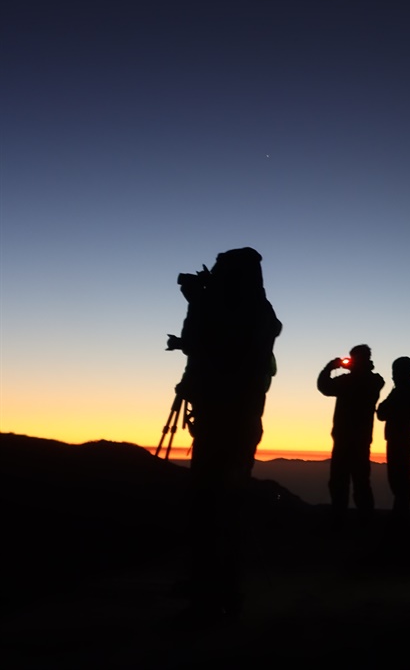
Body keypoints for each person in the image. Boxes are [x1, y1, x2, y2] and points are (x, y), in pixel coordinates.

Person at [171, 246, 281, 619]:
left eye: (220, 269)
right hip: (235, 419)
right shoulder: (257, 310)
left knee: (212, 506)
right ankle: (217, 588)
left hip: (227, 421)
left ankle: (212, 598)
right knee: (220, 505)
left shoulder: (243, 312)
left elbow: (205, 345)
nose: (214, 275)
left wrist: (196, 303)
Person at [317, 344, 385, 526]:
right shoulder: (375, 380)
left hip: (345, 438)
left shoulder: (352, 381)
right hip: (360, 439)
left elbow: (324, 387)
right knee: (360, 482)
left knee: (341, 482)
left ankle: (340, 520)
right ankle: (365, 521)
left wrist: (330, 367)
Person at [376, 356, 410, 522]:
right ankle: (401, 513)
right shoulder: (409, 388)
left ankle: (400, 516)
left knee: (398, 478)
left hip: (399, 439)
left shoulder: (402, 390)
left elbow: (381, 413)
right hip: (403, 438)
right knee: (401, 477)